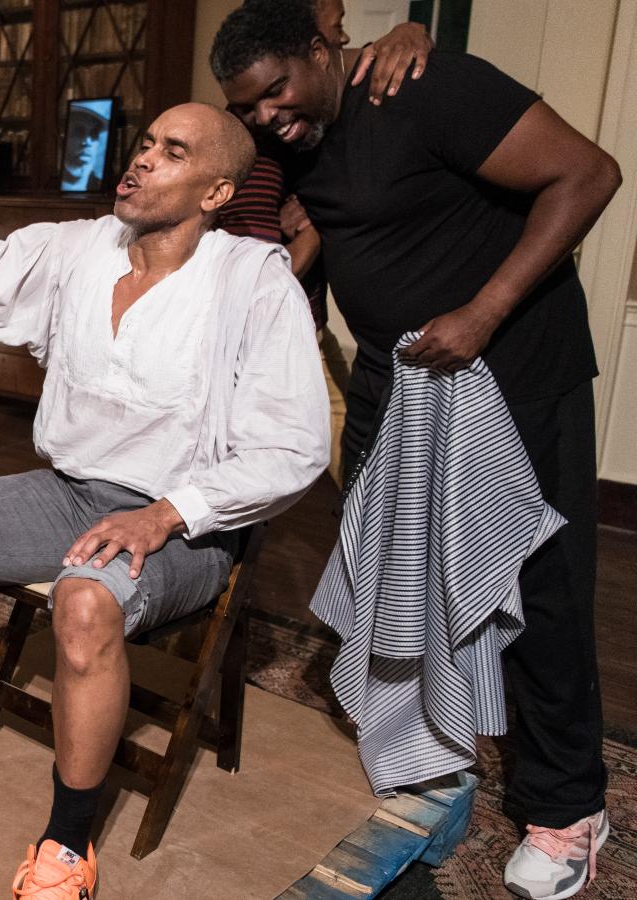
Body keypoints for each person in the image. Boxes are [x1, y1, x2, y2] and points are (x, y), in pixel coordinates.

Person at [0, 81, 328, 899]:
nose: (143, 156)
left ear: (217, 193)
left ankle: (66, 849)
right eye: (145, 142)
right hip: (69, 493)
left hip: (187, 524)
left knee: (82, 603)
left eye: (173, 152)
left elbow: (294, 447)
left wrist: (165, 514)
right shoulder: (79, 249)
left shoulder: (254, 284)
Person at [212, 3, 621, 897]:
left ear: (325, 49)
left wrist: (482, 312)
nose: (267, 117)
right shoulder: (295, 137)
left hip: (513, 371)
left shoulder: (429, 87)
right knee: (394, 578)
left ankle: (568, 809)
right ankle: (432, 750)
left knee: (539, 588)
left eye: (277, 91)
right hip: (395, 384)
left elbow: (589, 175)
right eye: (249, 109)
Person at [215, 0, 432, 483]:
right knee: (255, 466)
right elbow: (257, 273)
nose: (343, 37)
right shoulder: (253, 144)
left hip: (308, 321)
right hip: (269, 334)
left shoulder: (306, 126)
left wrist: (411, 31)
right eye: (334, 25)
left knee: (355, 457)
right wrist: (314, 230)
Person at [59, 102, 110, 191]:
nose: (87, 142)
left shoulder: (100, 187)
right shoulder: (53, 183)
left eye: (94, 133)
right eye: (78, 131)